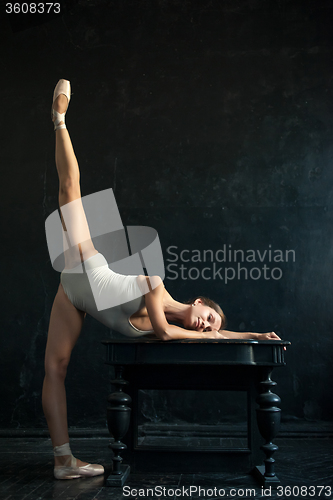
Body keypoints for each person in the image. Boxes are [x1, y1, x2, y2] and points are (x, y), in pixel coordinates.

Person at [42, 79, 281, 480]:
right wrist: (215, 336)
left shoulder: (175, 324)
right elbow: (169, 336)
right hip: (86, 262)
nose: (206, 325)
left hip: (74, 296)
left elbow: (194, 334)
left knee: (56, 368)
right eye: (209, 317)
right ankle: (59, 119)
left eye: (209, 327)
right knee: (70, 189)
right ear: (200, 301)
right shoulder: (155, 283)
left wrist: (250, 336)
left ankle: (62, 460)